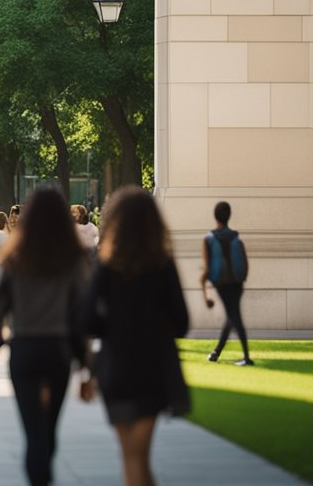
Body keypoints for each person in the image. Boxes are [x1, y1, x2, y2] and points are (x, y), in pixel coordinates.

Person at [85, 187, 190, 486]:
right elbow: (182, 323)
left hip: (117, 366)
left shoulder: (106, 266)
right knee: (139, 458)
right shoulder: (162, 265)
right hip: (153, 367)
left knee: (130, 457)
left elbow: (88, 319)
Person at [0, 187, 89, 486]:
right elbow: (80, 316)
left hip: (24, 349)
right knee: (48, 430)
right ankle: (44, 472)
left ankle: (39, 477)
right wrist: (86, 365)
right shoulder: (73, 260)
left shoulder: (16, 258)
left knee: (33, 432)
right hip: (57, 350)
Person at [201, 200, 253, 366]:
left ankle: (246, 357)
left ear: (215, 216)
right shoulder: (236, 237)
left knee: (234, 317)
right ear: (229, 216)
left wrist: (206, 296)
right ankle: (217, 353)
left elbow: (207, 269)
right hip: (237, 283)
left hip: (221, 284)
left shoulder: (208, 239)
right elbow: (244, 259)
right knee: (233, 315)